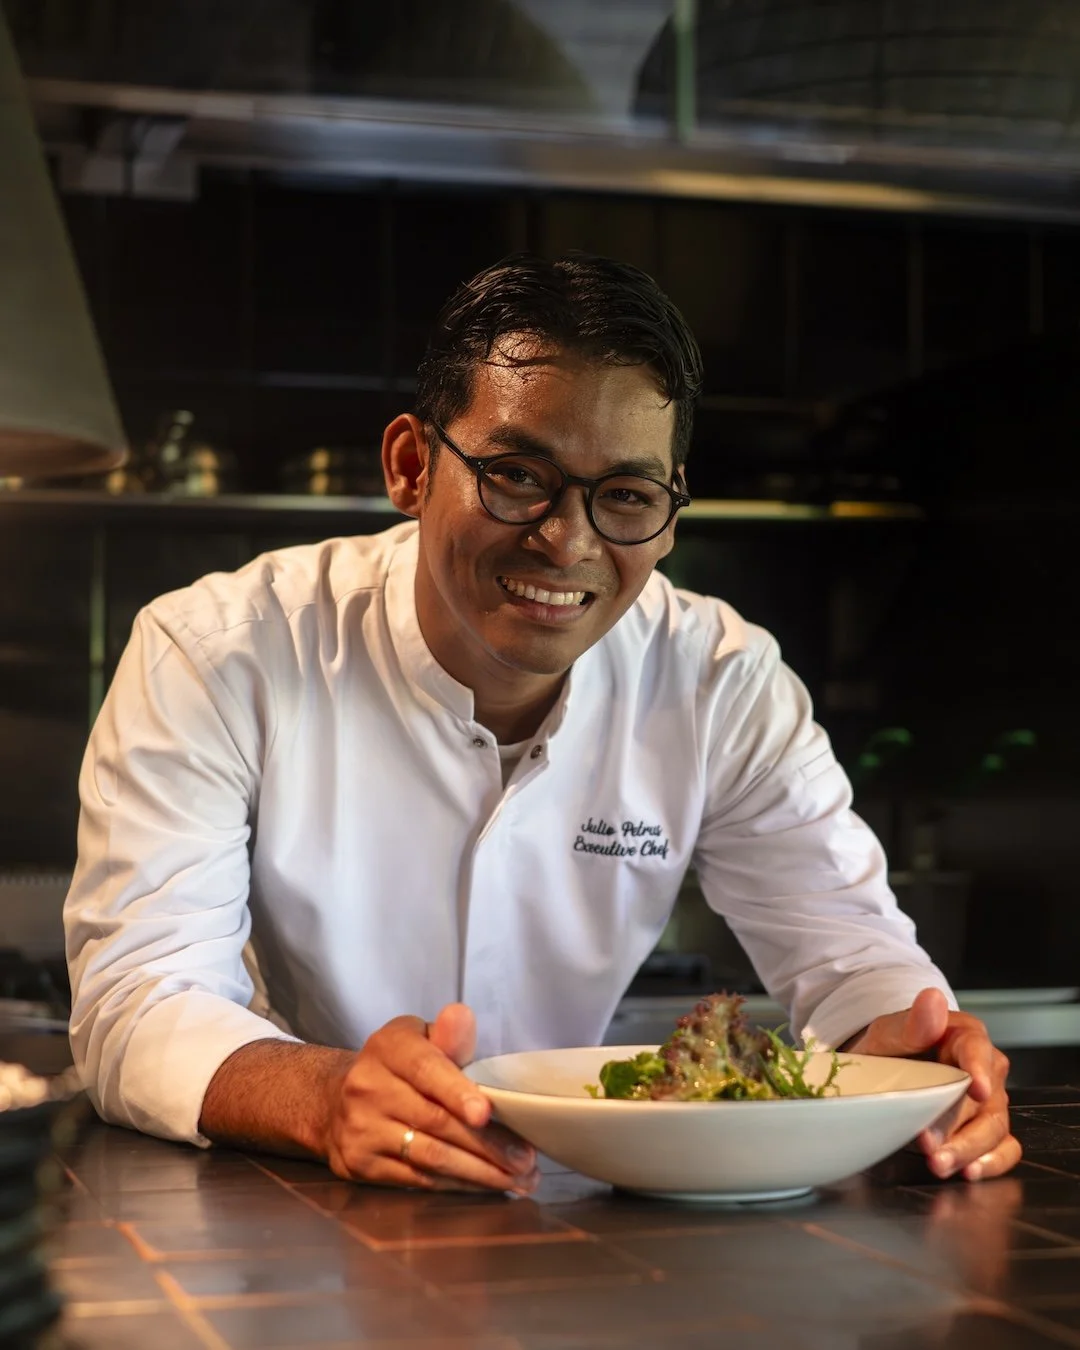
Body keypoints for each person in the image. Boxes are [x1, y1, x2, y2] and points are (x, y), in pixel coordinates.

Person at [64, 253, 1019, 1195]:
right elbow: (139, 1003)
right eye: (518, 475)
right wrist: (323, 1094)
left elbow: (850, 952)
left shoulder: (719, 679)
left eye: (628, 497)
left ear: (670, 510)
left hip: (582, 1221)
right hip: (288, 1209)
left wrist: (914, 1049)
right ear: (409, 464)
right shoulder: (219, 650)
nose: (567, 541)